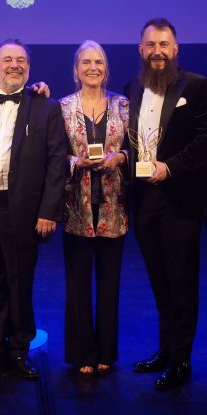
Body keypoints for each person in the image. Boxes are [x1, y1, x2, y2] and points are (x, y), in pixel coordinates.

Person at [0, 40, 68, 380]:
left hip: (21, 210)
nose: (14, 65)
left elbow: (57, 163)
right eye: (7, 59)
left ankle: (19, 349)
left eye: (21, 60)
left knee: (19, 282)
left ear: (29, 68)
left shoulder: (45, 107)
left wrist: (49, 211)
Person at [126, 18, 207, 390]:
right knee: (159, 280)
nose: (158, 52)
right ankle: (166, 350)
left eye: (164, 44)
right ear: (141, 50)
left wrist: (172, 167)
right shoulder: (131, 88)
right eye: (151, 45)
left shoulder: (197, 86)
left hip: (181, 198)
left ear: (176, 49)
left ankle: (181, 360)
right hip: (144, 200)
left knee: (181, 282)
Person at [59, 41, 130, 377]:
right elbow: (54, 154)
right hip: (76, 209)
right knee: (78, 283)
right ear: (76, 69)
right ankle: (82, 353)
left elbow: (137, 149)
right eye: (86, 62)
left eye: (98, 62)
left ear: (106, 68)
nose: (92, 67)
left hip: (114, 208)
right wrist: (76, 161)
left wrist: (120, 157)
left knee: (109, 283)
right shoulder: (62, 107)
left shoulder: (123, 105)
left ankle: (106, 352)